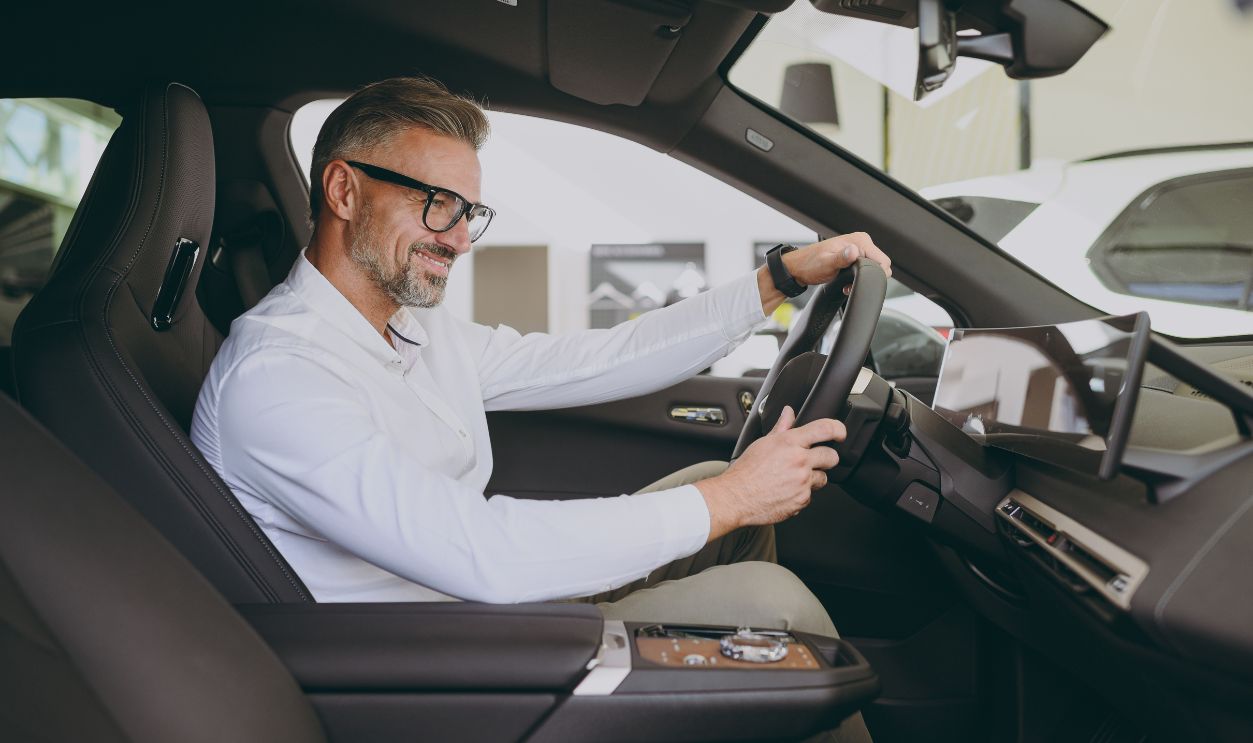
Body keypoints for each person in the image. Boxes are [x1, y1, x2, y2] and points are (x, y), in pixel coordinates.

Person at [190, 75, 891, 634]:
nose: (458, 239)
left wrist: (777, 280)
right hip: (440, 664)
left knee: (717, 489)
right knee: (773, 603)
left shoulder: (414, 330)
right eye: (437, 203)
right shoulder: (278, 377)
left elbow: (602, 357)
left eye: (468, 213)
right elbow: (480, 551)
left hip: (487, 611)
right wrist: (731, 498)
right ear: (344, 190)